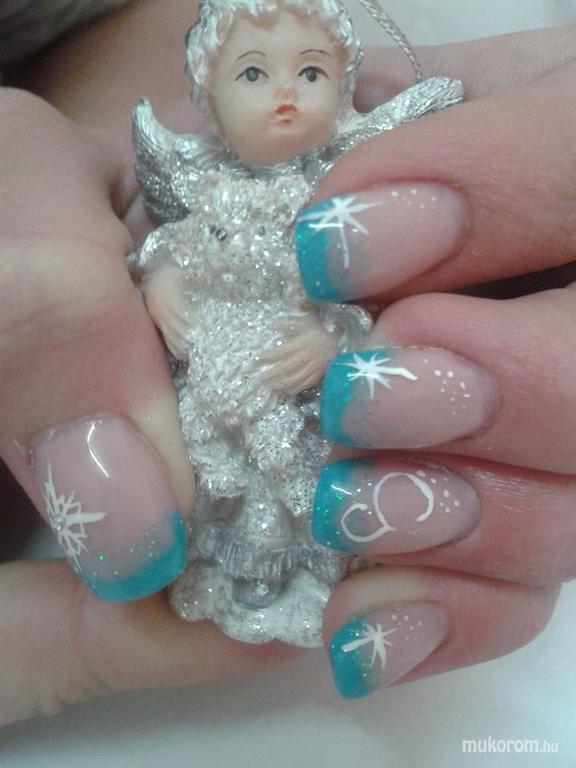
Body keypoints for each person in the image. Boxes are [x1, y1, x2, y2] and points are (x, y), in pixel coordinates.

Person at [0, 0, 575, 722]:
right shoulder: (203, 183)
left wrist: (331, 338)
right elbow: (172, 245)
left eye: (310, 73)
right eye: (253, 73)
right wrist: (162, 283)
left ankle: (302, 573)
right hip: (212, 360)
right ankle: (225, 573)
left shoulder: (342, 189)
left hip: (292, 368)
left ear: (342, 87)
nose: (284, 94)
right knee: (217, 478)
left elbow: (351, 292)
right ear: (209, 96)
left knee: (291, 478)